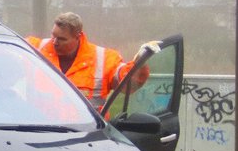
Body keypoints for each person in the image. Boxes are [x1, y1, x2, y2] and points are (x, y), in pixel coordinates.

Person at [27, 12, 158, 106]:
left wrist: (139, 64)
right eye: (53, 36)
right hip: (41, 130)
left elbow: (125, 82)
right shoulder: (35, 48)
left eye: (62, 39)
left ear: (78, 37)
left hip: (89, 135)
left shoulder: (104, 58)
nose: (54, 42)